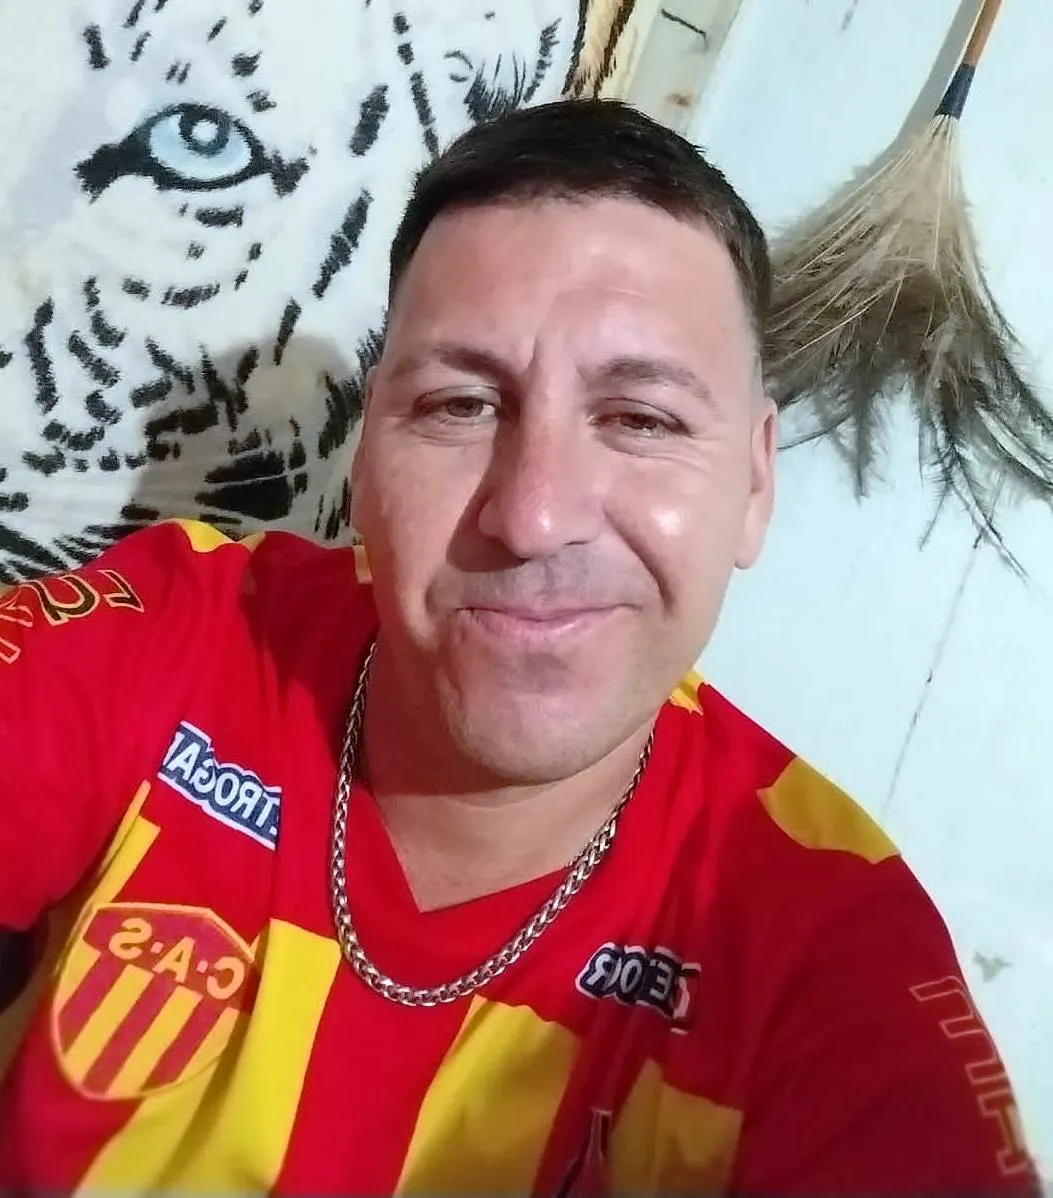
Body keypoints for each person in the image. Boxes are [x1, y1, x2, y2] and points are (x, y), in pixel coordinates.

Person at [0, 98, 1038, 1196]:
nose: (535, 517)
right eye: (460, 405)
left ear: (752, 482)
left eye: (641, 419)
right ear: (365, 454)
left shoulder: (822, 935)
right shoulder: (185, 631)